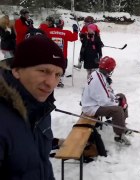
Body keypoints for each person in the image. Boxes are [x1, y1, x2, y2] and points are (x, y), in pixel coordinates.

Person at [0, 35, 66, 179]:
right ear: (16, 70)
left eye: (57, 74)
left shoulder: (39, 108)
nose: (51, 83)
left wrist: (54, 142)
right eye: (43, 71)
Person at [81, 56, 132, 146]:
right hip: (91, 107)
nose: (112, 70)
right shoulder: (98, 79)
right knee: (118, 109)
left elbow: (107, 91)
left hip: (94, 103)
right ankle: (119, 135)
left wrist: (117, 99)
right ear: (109, 69)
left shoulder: (98, 74)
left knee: (121, 96)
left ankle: (121, 124)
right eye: (112, 68)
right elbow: (104, 102)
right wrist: (118, 103)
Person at [42, 16, 78, 87]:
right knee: (61, 68)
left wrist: (44, 24)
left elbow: (41, 31)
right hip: (62, 55)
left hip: (50, 54)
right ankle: (58, 80)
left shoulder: (48, 31)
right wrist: (75, 30)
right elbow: (74, 37)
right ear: (62, 25)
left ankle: (49, 79)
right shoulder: (66, 33)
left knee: (51, 67)